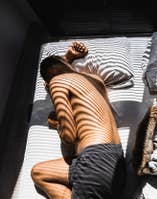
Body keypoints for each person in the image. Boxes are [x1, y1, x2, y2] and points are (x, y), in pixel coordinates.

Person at [31, 42, 125, 199]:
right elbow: (58, 70)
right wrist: (68, 58)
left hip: (94, 159)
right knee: (39, 172)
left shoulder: (57, 81)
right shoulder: (96, 81)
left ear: (51, 74)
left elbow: (69, 135)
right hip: (114, 160)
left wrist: (58, 125)